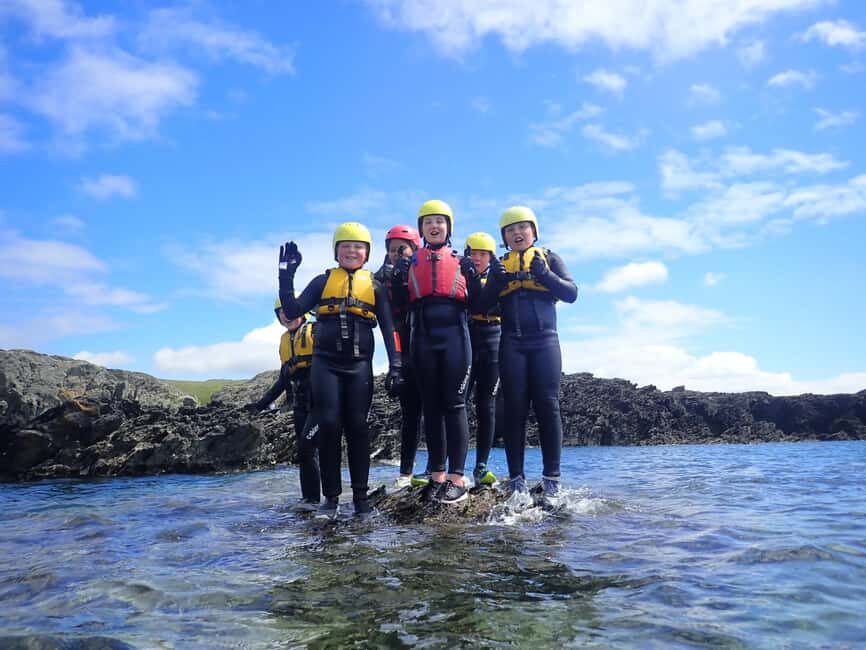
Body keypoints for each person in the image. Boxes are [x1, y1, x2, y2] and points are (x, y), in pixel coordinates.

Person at [278, 223, 403, 519]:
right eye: (345, 246)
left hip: (359, 367)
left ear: (367, 253)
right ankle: (331, 498)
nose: (352, 251)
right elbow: (293, 310)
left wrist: (397, 365)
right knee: (330, 426)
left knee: (358, 428)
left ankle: (361, 498)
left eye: (358, 246)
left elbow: (389, 329)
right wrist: (286, 275)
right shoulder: (323, 282)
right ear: (336, 251)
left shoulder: (374, 287)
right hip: (326, 366)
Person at [478, 206, 577, 509]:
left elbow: (572, 293)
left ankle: (552, 481)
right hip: (512, 344)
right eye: (510, 230)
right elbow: (482, 305)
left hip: (546, 341)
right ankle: (517, 481)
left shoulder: (549, 258)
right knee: (515, 410)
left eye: (523, 228)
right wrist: (493, 283)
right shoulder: (500, 265)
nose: (517, 233)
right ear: (504, 238)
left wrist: (545, 275)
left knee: (548, 405)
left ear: (534, 232)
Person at [394, 199, 473, 504]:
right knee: (430, 406)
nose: (435, 226)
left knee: (454, 404)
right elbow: (398, 303)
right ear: (421, 229)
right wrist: (398, 276)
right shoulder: (411, 261)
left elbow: (481, 300)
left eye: (440, 221)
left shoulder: (462, 258)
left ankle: (457, 477)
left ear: (448, 227)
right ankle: (437, 475)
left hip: (455, 332)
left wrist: (475, 276)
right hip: (422, 335)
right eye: (428, 222)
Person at [373, 224, 433, 490]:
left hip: (429, 347)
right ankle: (406, 472)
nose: (398, 253)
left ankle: (435, 468)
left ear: (414, 249)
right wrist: (394, 365)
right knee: (410, 414)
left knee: (435, 411)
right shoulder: (379, 278)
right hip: (402, 351)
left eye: (403, 248)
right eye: (392, 249)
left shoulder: (424, 270)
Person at [463, 232, 501, 487]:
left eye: (483, 254)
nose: (477, 258)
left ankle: (481, 466)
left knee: (486, 406)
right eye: (473, 253)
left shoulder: (500, 278)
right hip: (467, 340)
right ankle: (445, 465)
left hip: (494, 341)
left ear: (490, 257)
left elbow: (488, 304)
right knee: (458, 403)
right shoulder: (459, 278)